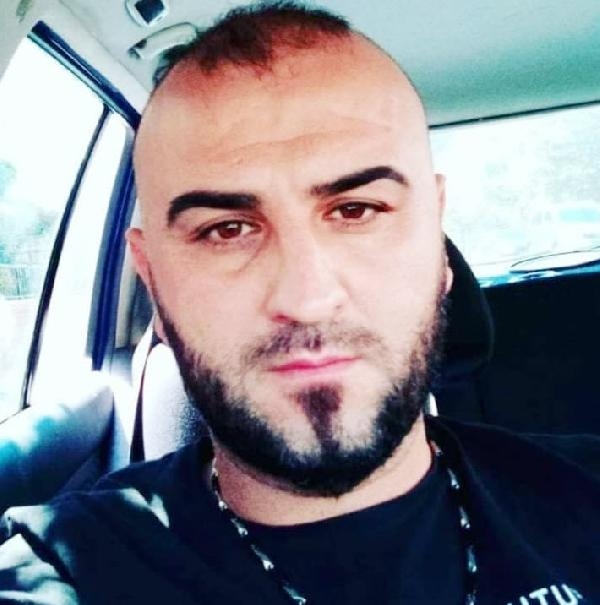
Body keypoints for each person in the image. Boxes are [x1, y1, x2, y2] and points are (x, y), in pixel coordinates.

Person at [0, 2, 598, 604]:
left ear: (438, 245)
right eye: (226, 230)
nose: (307, 299)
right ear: (152, 278)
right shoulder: (65, 567)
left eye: (357, 210)